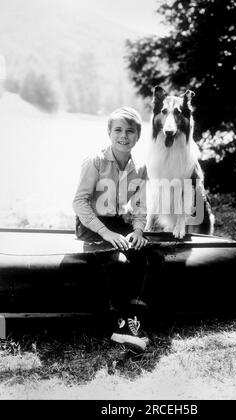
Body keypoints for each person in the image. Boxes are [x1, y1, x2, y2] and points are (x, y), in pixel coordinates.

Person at [73, 107, 160, 352]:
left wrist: (139, 231)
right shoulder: (95, 161)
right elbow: (79, 202)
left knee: (149, 257)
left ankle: (134, 322)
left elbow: (141, 205)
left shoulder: (140, 168)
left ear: (137, 137)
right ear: (109, 133)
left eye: (130, 131)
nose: (124, 136)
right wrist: (106, 233)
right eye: (118, 130)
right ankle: (117, 328)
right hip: (93, 225)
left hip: (118, 222)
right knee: (113, 262)